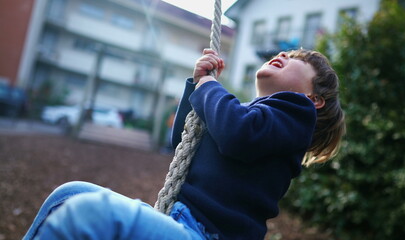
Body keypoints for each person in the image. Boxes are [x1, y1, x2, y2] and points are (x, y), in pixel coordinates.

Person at [23, 48, 345, 240]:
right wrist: (196, 85)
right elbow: (182, 144)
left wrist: (208, 87)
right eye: (286, 53)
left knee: (89, 213)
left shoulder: (295, 114)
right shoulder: (251, 115)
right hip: (180, 222)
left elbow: (237, 135)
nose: (284, 55)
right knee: (69, 194)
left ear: (313, 99)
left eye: (299, 59)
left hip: (206, 235)